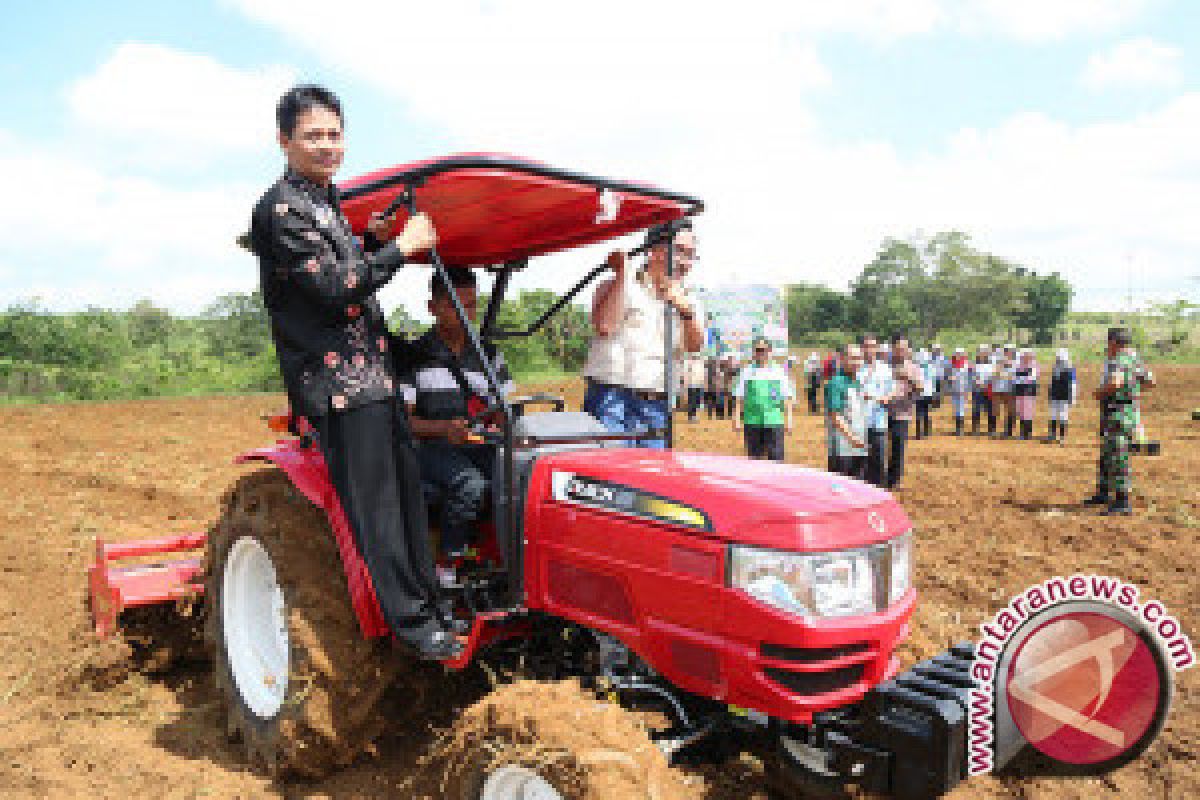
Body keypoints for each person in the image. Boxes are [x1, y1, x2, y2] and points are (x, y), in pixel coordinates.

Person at [249, 85, 459, 659]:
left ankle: (436, 608)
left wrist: (374, 237)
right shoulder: (281, 209)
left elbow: (345, 260)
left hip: (376, 380)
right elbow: (333, 285)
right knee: (380, 512)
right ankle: (414, 628)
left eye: (334, 134)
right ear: (284, 140)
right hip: (341, 390)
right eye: (312, 135)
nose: (326, 145)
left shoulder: (324, 201)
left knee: (409, 500)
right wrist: (402, 249)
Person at [400, 268, 515, 587]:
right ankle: (447, 567)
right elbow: (402, 422)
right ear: (432, 308)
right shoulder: (414, 356)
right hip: (429, 447)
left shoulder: (488, 354)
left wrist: (510, 429)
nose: (466, 315)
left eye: (471, 306)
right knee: (471, 484)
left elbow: (503, 411)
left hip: (477, 442)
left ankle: (510, 562)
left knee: (521, 475)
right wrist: (443, 429)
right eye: (456, 306)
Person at [585, 223, 705, 447]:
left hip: (657, 405)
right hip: (612, 400)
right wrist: (622, 274)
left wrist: (685, 311)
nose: (685, 262)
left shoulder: (691, 299)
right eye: (679, 251)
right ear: (653, 250)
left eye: (691, 255)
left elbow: (694, 346)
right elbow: (604, 325)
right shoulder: (620, 285)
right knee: (610, 477)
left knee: (649, 476)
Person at [1085, 327, 1145, 515]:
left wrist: (1100, 392)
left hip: (1117, 412)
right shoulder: (1136, 360)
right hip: (1128, 411)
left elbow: (1115, 383)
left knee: (1118, 455)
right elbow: (1150, 382)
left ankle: (1122, 501)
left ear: (1113, 342)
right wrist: (1132, 394)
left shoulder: (1118, 360)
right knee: (1107, 453)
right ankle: (1103, 492)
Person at [732, 338, 794, 461]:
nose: (761, 353)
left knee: (776, 459)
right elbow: (739, 397)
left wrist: (789, 420)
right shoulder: (746, 371)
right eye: (758, 350)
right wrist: (736, 419)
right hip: (752, 421)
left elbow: (787, 397)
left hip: (774, 420)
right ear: (754, 352)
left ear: (770, 351)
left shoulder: (779, 371)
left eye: (764, 350)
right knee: (755, 460)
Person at [825, 344, 868, 479]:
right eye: (853, 358)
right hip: (841, 449)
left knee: (858, 486)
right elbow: (835, 415)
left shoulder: (857, 382)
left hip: (858, 445)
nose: (857, 362)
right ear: (842, 359)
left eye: (859, 358)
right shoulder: (836, 383)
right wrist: (852, 438)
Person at [885, 338, 923, 489]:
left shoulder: (914, 368)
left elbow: (921, 389)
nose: (901, 351)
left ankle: (894, 480)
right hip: (881, 411)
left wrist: (909, 378)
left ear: (908, 350)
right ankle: (877, 476)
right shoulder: (885, 366)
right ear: (892, 348)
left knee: (898, 446)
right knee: (877, 445)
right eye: (898, 348)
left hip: (902, 412)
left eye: (904, 348)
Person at [858, 336, 895, 487]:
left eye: (872, 346)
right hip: (859, 423)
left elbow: (892, 391)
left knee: (879, 460)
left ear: (877, 348)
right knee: (861, 461)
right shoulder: (857, 367)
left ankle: (879, 490)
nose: (869, 350)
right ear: (862, 348)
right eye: (866, 346)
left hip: (879, 422)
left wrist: (886, 398)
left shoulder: (885, 369)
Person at [1046, 348, 1077, 444]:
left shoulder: (1070, 369)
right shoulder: (1055, 368)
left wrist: (1072, 397)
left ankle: (1062, 437)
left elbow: (1073, 384)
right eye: (1057, 358)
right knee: (1053, 415)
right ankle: (1052, 435)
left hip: (1065, 395)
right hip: (1055, 394)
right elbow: (1052, 382)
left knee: (1063, 415)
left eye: (1059, 358)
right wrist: (1050, 394)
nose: (1058, 359)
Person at [990, 344, 1017, 438]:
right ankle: (993, 431)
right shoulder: (997, 361)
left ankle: (1008, 432)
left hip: (1010, 390)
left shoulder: (1016, 363)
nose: (1008, 352)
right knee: (996, 410)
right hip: (997, 389)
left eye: (1010, 350)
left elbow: (1015, 376)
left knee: (1010, 411)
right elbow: (994, 374)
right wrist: (1001, 365)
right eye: (1006, 350)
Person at [1012, 349, 1039, 440]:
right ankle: (1023, 433)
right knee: (1021, 413)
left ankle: (1028, 434)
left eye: (1026, 355)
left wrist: (1019, 379)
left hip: (1029, 392)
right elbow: (1015, 378)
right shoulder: (1019, 365)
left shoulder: (1034, 365)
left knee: (1028, 413)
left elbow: (1031, 378)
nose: (1024, 357)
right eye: (1023, 356)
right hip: (1020, 391)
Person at [970, 345, 995, 435]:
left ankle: (991, 430)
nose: (983, 353)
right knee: (976, 409)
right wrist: (978, 382)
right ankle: (975, 429)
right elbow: (972, 376)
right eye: (981, 351)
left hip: (989, 390)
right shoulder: (973, 364)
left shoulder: (992, 364)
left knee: (990, 410)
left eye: (985, 351)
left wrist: (986, 384)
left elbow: (994, 376)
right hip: (977, 390)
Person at [947, 348, 971, 435]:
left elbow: (969, 378)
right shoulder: (951, 364)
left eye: (960, 354)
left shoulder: (966, 364)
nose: (958, 355)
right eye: (957, 353)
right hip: (954, 389)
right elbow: (947, 376)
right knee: (956, 408)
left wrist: (967, 390)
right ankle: (957, 428)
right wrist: (950, 379)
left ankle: (960, 430)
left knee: (961, 409)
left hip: (963, 389)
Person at [913, 349, 936, 439]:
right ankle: (926, 432)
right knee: (926, 412)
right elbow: (933, 381)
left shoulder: (915, 368)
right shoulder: (931, 367)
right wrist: (934, 392)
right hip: (928, 393)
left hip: (919, 393)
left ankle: (918, 433)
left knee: (919, 413)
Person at [683, 351, 707, 422]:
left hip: (699, 385)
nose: (695, 357)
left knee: (697, 401)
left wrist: (704, 383)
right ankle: (691, 416)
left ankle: (694, 415)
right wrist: (685, 384)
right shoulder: (688, 364)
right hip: (691, 385)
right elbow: (686, 375)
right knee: (692, 401)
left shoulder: (701, 364)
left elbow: (703, 374)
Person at [704, 354, 726, 419]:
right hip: (713, 388)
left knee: (716, 401)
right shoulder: (710, 371)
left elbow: (720, 378)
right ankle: (715, 414)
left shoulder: (719, 370)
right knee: (712, 401)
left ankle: (718, 414)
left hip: (716, 387)